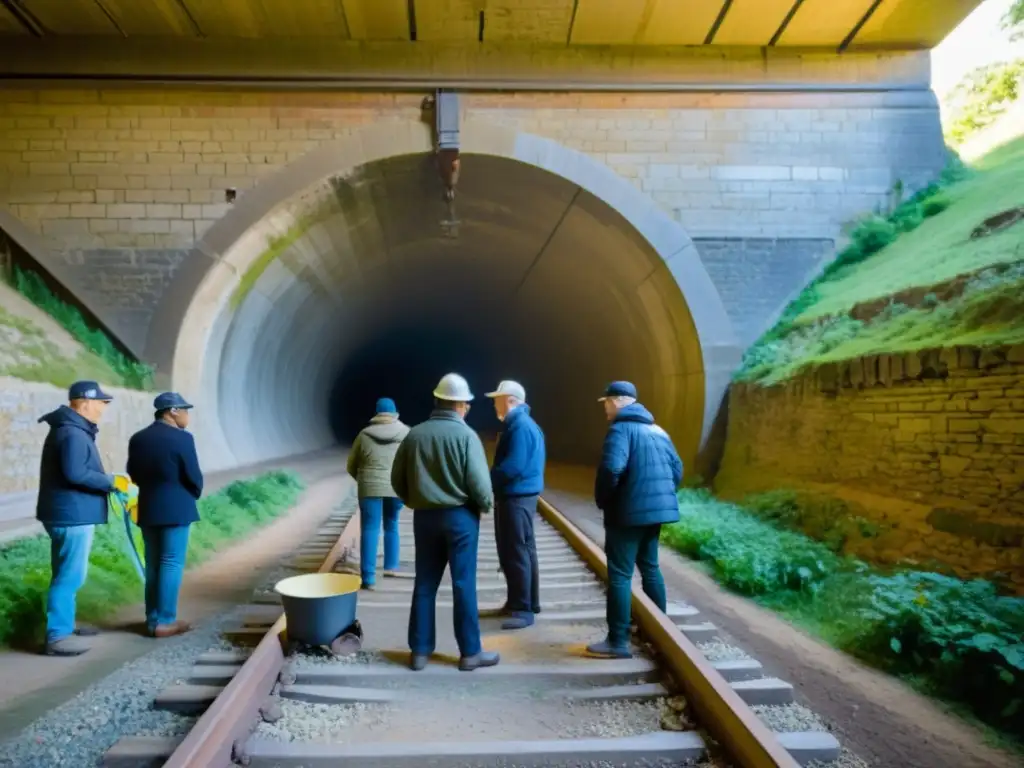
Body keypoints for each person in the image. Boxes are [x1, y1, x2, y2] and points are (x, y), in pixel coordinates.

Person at [391, 373, 500, 672]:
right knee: (463, 583)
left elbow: (396, 481)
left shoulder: (414, 435)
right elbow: (479, 484)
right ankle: (469, 653)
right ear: (461, 405)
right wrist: (486, 505)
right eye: (466, 404)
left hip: (424, 518)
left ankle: (420, 652)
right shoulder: (466, 437)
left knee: (425, 583)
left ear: (438, 401)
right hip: (461, 518)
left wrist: (416, 499)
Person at [587, 381, 683, 659]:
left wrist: (605, 500)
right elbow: (677, 468)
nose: (605, 408)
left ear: (617, 401)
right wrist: (660, 495)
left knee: (620, 575)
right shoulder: (657, 430)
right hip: (656, 514)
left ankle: (618, 641)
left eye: (606, 402)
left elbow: (612, 468)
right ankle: (659, 634)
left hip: (626, 514)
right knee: (650, 569)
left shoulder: (620, 430)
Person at [36, 380, 128, 656]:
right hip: (71, 515)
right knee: (70, 577)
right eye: (101, 402)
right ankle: (58, 636)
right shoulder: (72, 434)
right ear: (84, 402)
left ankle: (65, 624)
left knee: (67, 573)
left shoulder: (71, 430)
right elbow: (75, 473)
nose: (103, 408)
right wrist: (112, 481)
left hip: (67, 513)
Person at [126, 392, 204, 639]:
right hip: (176, 508)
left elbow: (133, 473)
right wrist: (191, 492)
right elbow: (193, 475)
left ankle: (152, 619)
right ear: (172, 411)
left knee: (153, 565)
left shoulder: (138, 439)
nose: (187, 415)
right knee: (171, 563)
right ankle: (166, 620)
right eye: (185, 410)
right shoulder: (182, 439)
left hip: (149, 508)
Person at [486, 380, 545, 630]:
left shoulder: (519, 427)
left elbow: (514, 466)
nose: (494, 404)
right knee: (524, 549)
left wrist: (488, 478)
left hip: (516, 496)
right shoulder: (524, 424)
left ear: (510, 400)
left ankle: (522, 609)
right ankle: (525, 602)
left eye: (497, 399)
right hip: (523, 496)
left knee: (515, 550)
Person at [346, 397, 410, 591]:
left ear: (376, 413)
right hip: (396, 487)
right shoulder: (406, 433)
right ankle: (391, 566)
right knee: (392, 524)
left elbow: (351, 465)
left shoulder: (364, 435)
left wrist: (365, 481)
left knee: (370, 529)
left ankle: (368, 578)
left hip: (369, 487)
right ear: (395, 413)